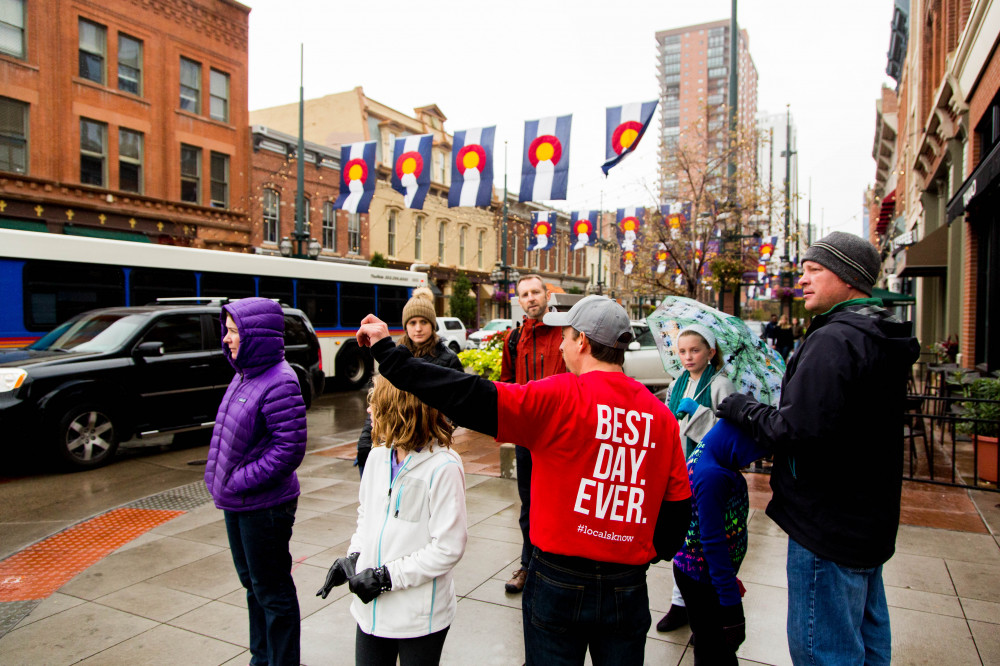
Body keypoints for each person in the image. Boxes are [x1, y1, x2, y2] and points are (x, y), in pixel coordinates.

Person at [355, 295, 692, 665]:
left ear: (582, 341)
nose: (560, 345)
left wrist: (388, 351)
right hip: (627, 585)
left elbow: (465, 394)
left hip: (557, 580)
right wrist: (646, 551)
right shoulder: (660, 417)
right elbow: (677, 508)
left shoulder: (557, 396)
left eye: (564, 336)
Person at [716, 232, 920, 665]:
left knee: (823, 652)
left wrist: (740, 406)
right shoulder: (877, 334)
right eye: (803, 269)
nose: (802, 279)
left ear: (849, 278)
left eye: (815, 270)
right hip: (865, 523)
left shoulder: (833, 340)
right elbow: (833, 421)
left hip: (826, 526)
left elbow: (795, 432)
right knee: (866, 647)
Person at [318, 377, 467, 666]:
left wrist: (386, 578)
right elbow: (367, 517)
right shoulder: (376, 457)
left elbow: (448, 548)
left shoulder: (444, 467)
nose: (369, 410)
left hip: (419, 620)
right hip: (370, 612)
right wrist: (354, 558)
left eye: (376, 402)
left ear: (398, 410)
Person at [204, 297, 307, 666]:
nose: (227, 338)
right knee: (254, 587)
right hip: (238, 502)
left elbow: (289, 449)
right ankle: (261, 659)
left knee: (272, 591)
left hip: (264, 506)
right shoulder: (244, 374)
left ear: (255, 335)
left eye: (234, 331)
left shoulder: (280, 380)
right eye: (227, 330)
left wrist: (237, 480)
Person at [657, 324, 736, 633]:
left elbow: (727, 433)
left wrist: (699, 413)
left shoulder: (720, 384)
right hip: (678, 470)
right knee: (682, 539)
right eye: (682, 351)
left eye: (695, 350)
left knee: (704, 541)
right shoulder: (677, 382)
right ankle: (681, 604)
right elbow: (667, 419)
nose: (688, 357)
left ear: (710, 352)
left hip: (706, 475)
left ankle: (707, 610)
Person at [673, 420, 768, 665]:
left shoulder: (715, 454)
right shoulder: (713, 475)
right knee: (715, 652)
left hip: (707, 575)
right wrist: (729, 600)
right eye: (749, 455)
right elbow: (713, 543)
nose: (748, 464)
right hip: (701, 578)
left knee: (712, 644)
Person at [499, 274, 567, 594]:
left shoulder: (565, 333)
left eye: (535, 292)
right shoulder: (513, 339)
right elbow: (507, 386)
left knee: (561, 501)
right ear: (519, 300)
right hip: (527, 437)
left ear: (546, 295)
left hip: (559, 436)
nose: (531, 298)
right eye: (524, 294)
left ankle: (559, 566)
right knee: (529, 504)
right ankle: (528, 565)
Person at [356, 288, 462, 478]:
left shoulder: (447, 359)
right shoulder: (393, 356)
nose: (418, 328)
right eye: (412, 323)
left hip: (425, 448)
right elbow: (379, 402)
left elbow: (457, 409)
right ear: (406, 326)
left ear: (432, 325)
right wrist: (366, 442)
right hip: (391, 445)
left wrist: (435, 435)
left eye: (423, 322)